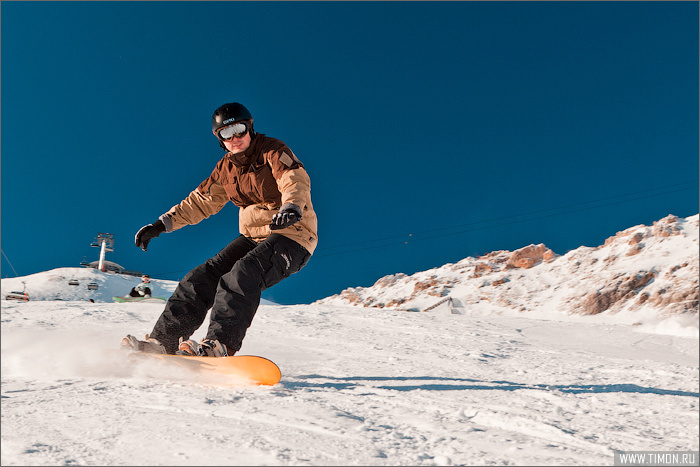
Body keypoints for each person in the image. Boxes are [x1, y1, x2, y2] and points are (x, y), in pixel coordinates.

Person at [121, 102, 317, 357]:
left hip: (293, 234)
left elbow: (294, 178)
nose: (234, 138)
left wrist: (291, 207)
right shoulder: (226, 169)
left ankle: (220, 345)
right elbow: (201, 201)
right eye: (226, 133)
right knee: (200, 278)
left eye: (239, 129)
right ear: (219, 139)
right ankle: (163, 342)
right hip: (253, 237)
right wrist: (162, 225)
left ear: (250, 127)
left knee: (242, 274)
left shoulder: (272, 151)